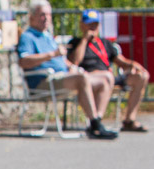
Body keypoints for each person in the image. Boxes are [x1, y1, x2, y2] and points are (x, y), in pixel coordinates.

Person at [17, 0, 117, 139]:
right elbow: (24, 61)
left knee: (106, 78)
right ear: (31, 17)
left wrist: (73, 67)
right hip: (44, 82)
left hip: (63, 76)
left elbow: (62, 60)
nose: (46, 18)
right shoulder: (27, 37)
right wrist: (52, 54)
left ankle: (97, 121)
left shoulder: (47, 36)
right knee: (82, 79)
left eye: (49, 15)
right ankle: (95, 125)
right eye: (42, 15)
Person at [67, 9, 150, 133]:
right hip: (89, 77)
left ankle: (129, 120)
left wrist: (135, 65)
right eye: (89, 24)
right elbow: (75, 62)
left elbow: (121, 62)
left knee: (142, 76)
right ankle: (97, 121)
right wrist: (85, 40)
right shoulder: (76, 42)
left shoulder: (105, 43)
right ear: (82, 25)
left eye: (95, 24)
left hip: (109, 76)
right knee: (107, 76)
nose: (93, 27)